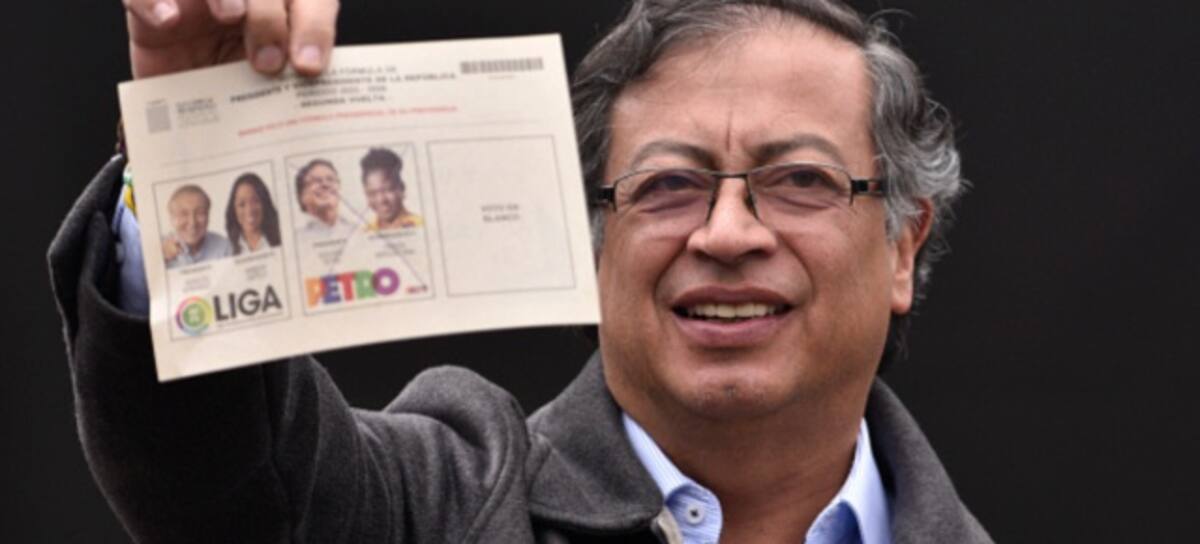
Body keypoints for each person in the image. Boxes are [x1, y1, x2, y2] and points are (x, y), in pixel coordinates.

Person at [48, 0, 992, 542]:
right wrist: (201, 153)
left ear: (902, 246)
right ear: (592, 241)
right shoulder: (444, 507)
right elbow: (227, 480)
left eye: (800, 181)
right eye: (667, 185)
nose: (727, 232)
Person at [161, 184, 231, 268]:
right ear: (171, 218)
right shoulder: (158, 248)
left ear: (208, 216)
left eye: (200, 213)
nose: (192, 222)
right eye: (183, 214)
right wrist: (161, 259)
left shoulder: (224, 246)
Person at [361, 147, 423, 231]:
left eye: (387, 190)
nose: (381, 200)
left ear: (401, 189)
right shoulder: (365, 233)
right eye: (372, 193)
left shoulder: (420, 226)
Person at [294, 158, 356, 241]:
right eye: (316, 181)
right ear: (302, 196)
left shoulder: (358, 232)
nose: (325, 184)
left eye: (330, 179)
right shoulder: (294, 237)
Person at [225, 172, 283, 255]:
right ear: (233, 210)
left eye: (255, 201)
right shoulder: (226, 249)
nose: (249, 210)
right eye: (241, 204)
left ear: (265, 203)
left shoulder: (282, 238)